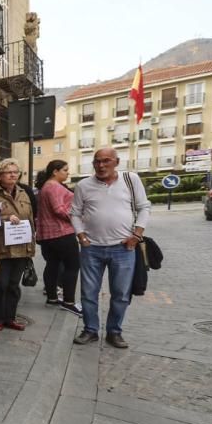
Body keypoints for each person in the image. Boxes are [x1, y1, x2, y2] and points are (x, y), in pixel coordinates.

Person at [70, 148, 151, 348]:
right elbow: (74, 213)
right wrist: (81, 236)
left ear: (117, 162)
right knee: (88, 293)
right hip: (92, 248)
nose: (101, 165)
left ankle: (114, 332)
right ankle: (90, 330)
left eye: (106, 161)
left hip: (123, 248)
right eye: (97, 161)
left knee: (121, 294)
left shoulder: (131, 180)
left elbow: (144, 207)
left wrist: (136, 235)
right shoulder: (83, 185)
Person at [0, 159, 35, 331]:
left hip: (21, 247)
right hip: (0, 248)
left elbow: (30, 221)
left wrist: (31, 247)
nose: (13, 175)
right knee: (0, 284)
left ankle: (10, 318)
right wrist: (5, 219)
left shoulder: (23, 193)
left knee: (14, 286)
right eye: (8, 172)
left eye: (16, 171)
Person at [35, 160, 81, 316]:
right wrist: (77, 217)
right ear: (55, 171)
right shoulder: (53, 187)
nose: (68, 173)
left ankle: (52, 298)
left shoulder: (45, 187)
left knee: (53, 265)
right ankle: (69, 301)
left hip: (48, 235)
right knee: (73, 266)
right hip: (61, 233)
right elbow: (58, 209)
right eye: (65, 170)